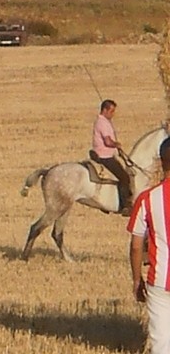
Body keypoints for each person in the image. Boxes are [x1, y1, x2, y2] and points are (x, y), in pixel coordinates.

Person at [128, 136, 170, 354]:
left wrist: (137, 280)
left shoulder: (147, 198)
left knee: (162, 341)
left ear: (161, 162)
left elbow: (136, 246)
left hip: (159, 282)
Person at [91, 99, 132, 216]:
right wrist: (116, 144)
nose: (113, 114)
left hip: (106, 154)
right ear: (105, 110)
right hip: (105, 156)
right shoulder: (102, 123)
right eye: (112, 111)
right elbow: (108, 142)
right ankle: (125, 206)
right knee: (124, 177)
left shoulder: (103, 121)